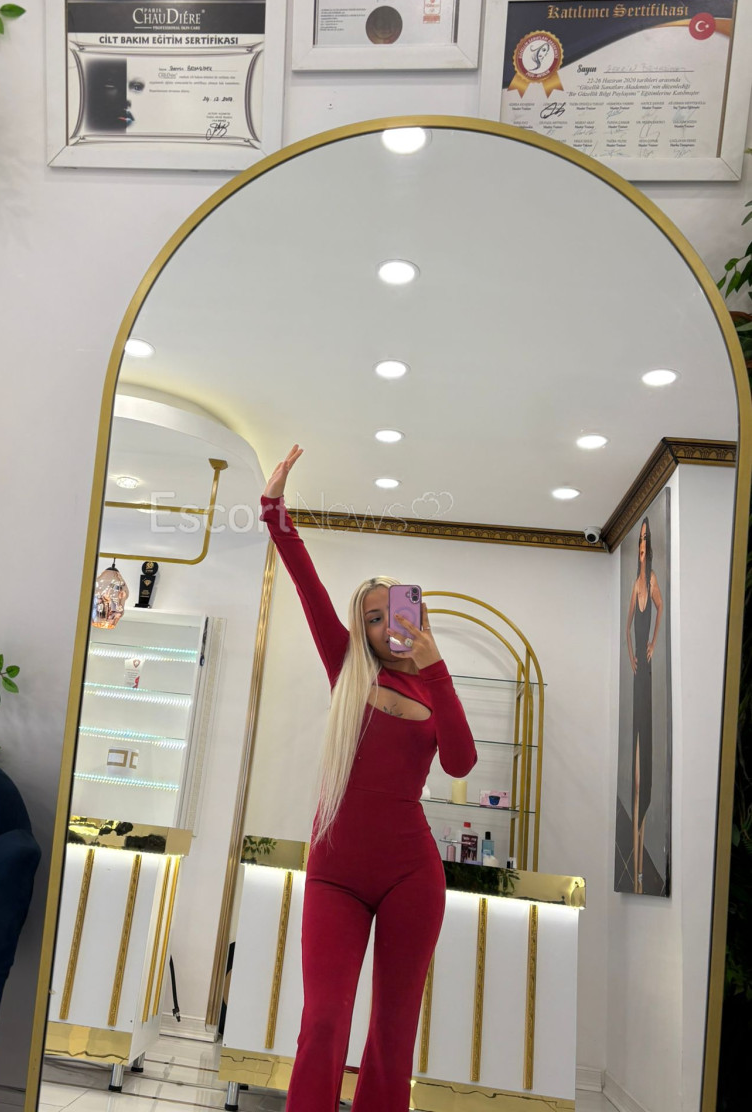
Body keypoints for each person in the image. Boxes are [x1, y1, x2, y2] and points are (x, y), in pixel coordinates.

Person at [260, 444, 477, 1112]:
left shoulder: (434, 685)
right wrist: (274, 508)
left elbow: (461, 763)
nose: (385, 627)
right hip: (336, 870)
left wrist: (436, 666)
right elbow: (307, 585)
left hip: (412, 872)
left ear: (417, 617)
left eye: (396, 614)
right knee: (324, 1019)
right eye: (373, 617)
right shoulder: (348, 669)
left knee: (393, 1032)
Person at [625, 515, 663, 895]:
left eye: (644, 541)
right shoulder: (634, 585)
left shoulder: (650, 581)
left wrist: (652, 643)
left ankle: (639, 873)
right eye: (639, 540)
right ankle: (635, 871)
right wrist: (631, 653)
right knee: (634, 778)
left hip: (646, 677)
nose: (641, 546)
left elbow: (660, 609)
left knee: (643, 774)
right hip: (638, 673)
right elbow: (626, 628)